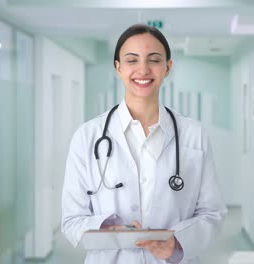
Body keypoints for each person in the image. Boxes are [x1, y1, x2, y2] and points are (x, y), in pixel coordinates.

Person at [61, 24, 226, 263]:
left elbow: (212, 213)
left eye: (154, 59)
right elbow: (71, 220)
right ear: (118, 67)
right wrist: (106, 230)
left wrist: (178, 242)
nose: (143, 69)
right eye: (132, 60)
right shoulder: (87, 136)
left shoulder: (193, 134)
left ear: (167, 67)